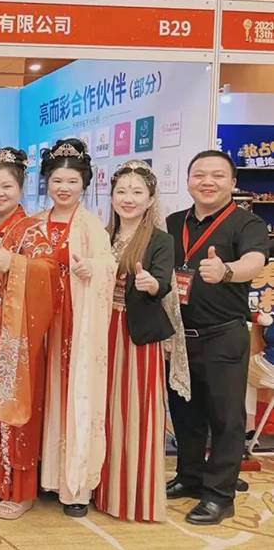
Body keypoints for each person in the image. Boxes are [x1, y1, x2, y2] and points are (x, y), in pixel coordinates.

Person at [165, 150, 268, 525]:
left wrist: (225, 271)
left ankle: (220, 496)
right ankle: (190, 477)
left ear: (232, 183)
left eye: (217, 175)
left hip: (222, 335)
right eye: (199, 175)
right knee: (185, 412)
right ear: (189, 181)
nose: (207, 181)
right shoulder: (174, 222)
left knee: (226, 418)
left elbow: (254, 262)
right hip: (180, 337)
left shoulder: (247, 223)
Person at [0, 147, 58, 520]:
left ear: (20, 187)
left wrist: (15, 263)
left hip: (15, 332)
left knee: (14, 404)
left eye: (7, 186)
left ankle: (19, 489)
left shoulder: (32, 228)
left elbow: (50, 272)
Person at [94, 160, 186, 522]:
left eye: (136, 192)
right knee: (103, 410)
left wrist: (151, 284)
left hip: (136, 338)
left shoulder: (160, 240)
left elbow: (161, 281)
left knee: (135, 412)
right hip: (101, 332)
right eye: (121, 191)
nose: (128, 198)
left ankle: (134, 497)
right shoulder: (102, 235)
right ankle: (101, 488)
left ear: (150, 199)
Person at [37, 138, 116, 518]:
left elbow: (109, 265)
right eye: (57, 181)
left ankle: (76, 485)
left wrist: (93, 269)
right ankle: (44, 474)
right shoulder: (36, 222)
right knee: (43, 395)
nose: (63, 188)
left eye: (71, 181)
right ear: (47, 183)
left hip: (75, 322)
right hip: (40, 324)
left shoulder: (91, 226)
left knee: (75, 397)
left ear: (84, 184)